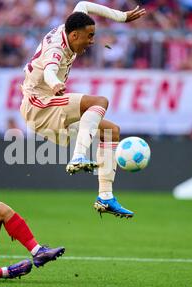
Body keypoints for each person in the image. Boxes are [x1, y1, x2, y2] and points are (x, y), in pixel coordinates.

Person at [19, 2, 146, 218]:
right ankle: (78, 157)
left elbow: (83, 4)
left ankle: (105, 197)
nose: (92, 41)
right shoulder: (56, 49)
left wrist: (122, 17)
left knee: (111, 131)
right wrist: (54, 84)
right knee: (99, 102)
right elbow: (50, 70)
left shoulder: (73, 25)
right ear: (75, 35)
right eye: (89, 36)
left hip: (48, 104)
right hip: (38, 106)